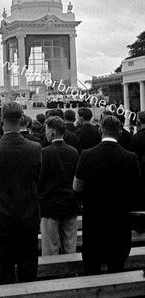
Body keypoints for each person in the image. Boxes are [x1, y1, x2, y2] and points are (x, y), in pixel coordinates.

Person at [0, 102, 41, 284]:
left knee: (4, 271)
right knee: (28, 270)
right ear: (22, 119)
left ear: (0, 120)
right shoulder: (35, 148)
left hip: (0, 217)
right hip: (28, 215)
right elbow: (36, 176)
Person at [73, 114, 139, 275]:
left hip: (94, 221)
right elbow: (135, 190)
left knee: (92, 269)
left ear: (101, 130)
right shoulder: (130, 158)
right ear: (120, 132)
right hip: (119, 222)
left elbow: (77, 186)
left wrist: (86, 201)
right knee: (117, 269)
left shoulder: (87, 155)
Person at [38, 116, 79, 256]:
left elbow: (40, 180)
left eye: (46, 130)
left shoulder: (45, 153)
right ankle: (72, 274)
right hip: (70, 204)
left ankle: (52, 276)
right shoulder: (73, 152)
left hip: (50, 205)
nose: (46, 133)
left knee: (50, 248)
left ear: (52, 131)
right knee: (70, 246)